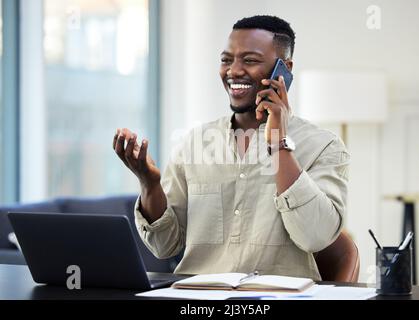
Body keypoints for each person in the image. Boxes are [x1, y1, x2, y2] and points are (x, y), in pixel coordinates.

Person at [112, 15, 349, 280]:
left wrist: (278, 142)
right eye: (226, 60)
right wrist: (149, 184)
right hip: (196, 299)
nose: (234, 71)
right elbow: (164, 246)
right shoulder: (194, 143)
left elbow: (316, 236)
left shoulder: (324, 146)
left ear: (284, 69)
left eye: (249, 60)